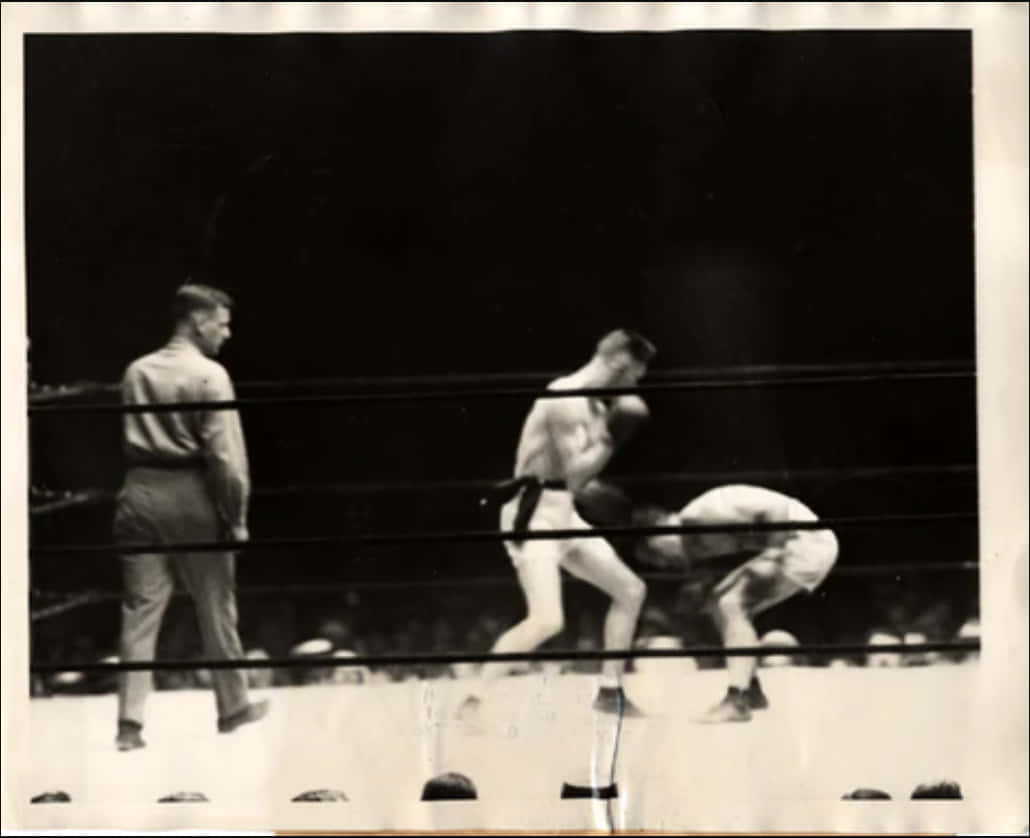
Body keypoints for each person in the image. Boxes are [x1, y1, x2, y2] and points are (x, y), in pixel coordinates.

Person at [459, 329, 656, 718]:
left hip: (563, 512)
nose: (633, 384)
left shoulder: (597, 409)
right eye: (634, 374)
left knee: (631, 590)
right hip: (531, 516)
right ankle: (473, 697)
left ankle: (609, 692)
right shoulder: (563, 398)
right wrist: (613, 440)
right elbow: (573, 475)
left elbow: (577, 483)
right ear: (619, 362)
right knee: (547, 620)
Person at [113, 283, 267, 750]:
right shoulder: (211, 376)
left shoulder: (136, 371)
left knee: (140, 612)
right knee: (216, 603)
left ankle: (129, 723)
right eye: (221, 323)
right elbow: (226, 459)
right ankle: (233, 706)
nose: (227, 333)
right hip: (192, 491)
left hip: (139, 489)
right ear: (198, 321)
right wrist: (235, 516)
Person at [634, 484, 838, 723]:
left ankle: (738, 700)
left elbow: (776, 510)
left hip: (805, 542)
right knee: (718, 602)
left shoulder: (698, 515)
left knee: (731, 605)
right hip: (796, 541)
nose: (662, 563)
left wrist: (773, 554)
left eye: (654, 553)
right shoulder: (696, 537)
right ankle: (751, 690)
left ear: (658, 528)